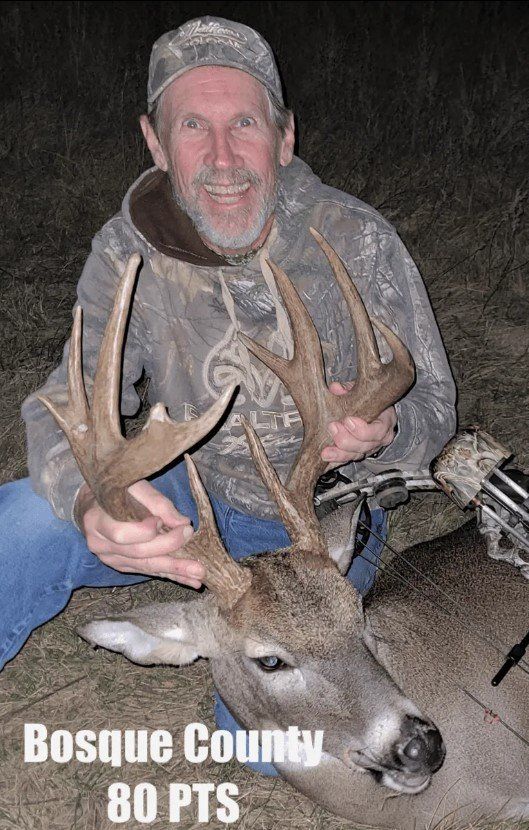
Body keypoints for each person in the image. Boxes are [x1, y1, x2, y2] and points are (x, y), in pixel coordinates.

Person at [0, 16, 456, 772]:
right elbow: (62, 403)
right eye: (192, 126)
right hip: (192, 513)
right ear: (155, 141)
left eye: (244, 123)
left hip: (324, 527)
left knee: (267, 754)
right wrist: (89, 500)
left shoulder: (357, 239)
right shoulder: (127, 251)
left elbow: (435, 407)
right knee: (18, 522)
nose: (221, 158)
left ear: (283, 137)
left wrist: (389, 432)